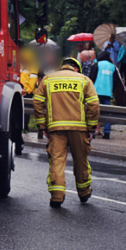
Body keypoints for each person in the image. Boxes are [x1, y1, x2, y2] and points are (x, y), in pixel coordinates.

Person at [33, 57, 99, 208]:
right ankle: (84, 192)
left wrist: (42, 125)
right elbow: (94, 105)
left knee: (57, 161)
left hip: (56, 130)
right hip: (79, 129)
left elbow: (37, 101)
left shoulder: (48, 79)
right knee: (81, 161)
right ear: (76, 68)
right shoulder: (84, 80)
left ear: (62, 67)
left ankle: (57, 196)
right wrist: (91, 127)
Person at [89, 50, 124, 139]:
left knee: (94, 112)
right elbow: (116, 80)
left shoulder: (97, 65)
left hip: (96, 92)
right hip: (107, 93)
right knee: (107, 113)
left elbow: (91, 78)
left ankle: (92, 132)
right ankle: (107, 132)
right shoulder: (113, 67)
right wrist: (111, 88)